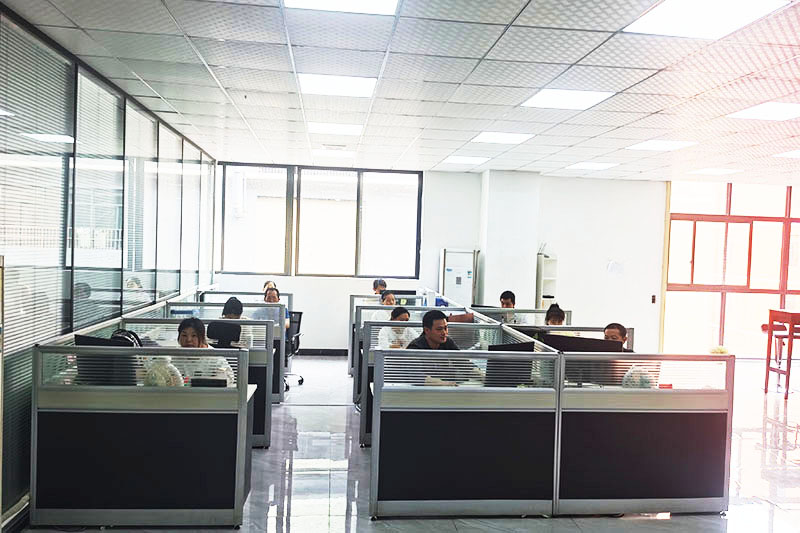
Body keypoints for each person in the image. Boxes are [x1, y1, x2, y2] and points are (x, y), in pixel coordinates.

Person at [176, 317, 236, 386]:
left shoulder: (215, 357)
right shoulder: (173, 356)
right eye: (184, 335)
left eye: (194, 335)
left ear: (202, 338)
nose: (188, 340)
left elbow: (228, 378)